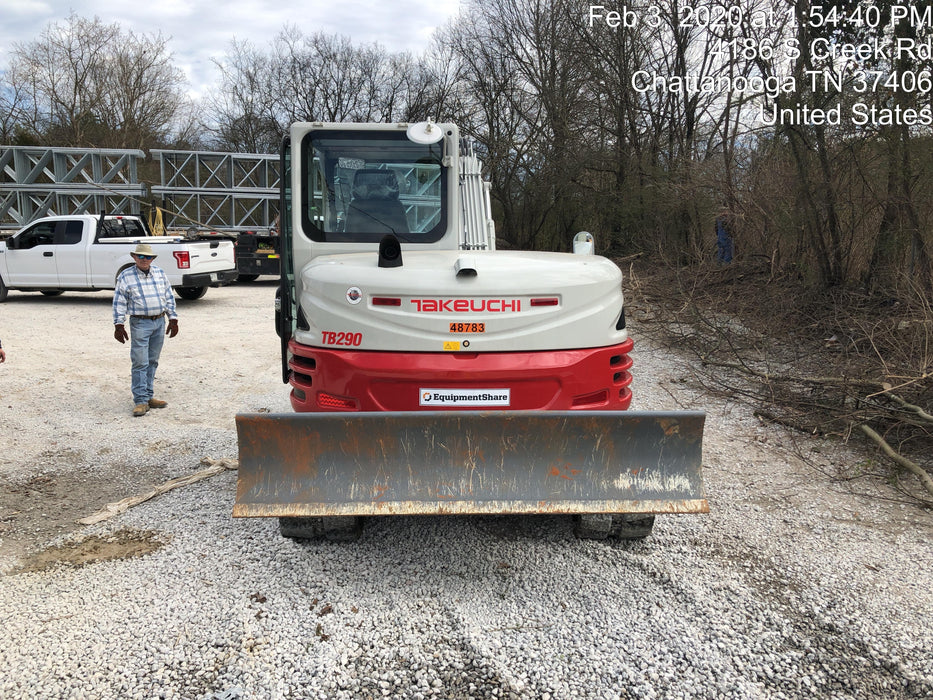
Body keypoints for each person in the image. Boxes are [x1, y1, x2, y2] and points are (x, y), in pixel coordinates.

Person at [112, 243, 179, 416]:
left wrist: (173, 318)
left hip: (159, 322)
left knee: (152, 360)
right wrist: (119, 324)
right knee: (140, 362)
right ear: (134, 257)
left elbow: (168, 296)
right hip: (140, 323)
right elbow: (119, 301)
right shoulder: (126, 277)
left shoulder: (160, 273)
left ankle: (149, 396)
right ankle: (140, 400)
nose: (144, 260)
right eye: (141, 256)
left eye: (148, 257)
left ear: (153, 258)